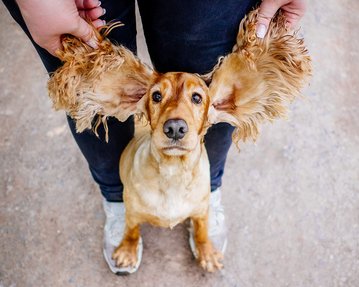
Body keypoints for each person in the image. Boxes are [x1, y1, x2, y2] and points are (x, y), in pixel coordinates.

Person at [2, 0, 306, 274]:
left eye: (198, 100)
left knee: (202, 47)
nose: (176, 122)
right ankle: (116, 198)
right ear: (139, 100)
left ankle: (209, 191)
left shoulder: (225, 100)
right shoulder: (132, 96)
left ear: (223, 103)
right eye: (157, 98)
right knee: (89, 56)